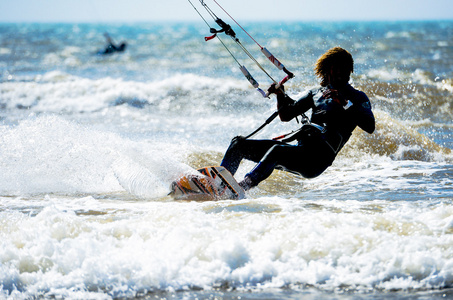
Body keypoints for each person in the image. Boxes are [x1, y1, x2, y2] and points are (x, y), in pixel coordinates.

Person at [220, 47, 375, 191]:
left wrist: (344, 103)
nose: (342, 73)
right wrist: (280, 95)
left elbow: (370, 126)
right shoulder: (315, 94)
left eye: (346, 68)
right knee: (238, 144)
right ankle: (219, 184)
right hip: (299, 152)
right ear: (328, 70)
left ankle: (240, 188)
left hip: (317, 160)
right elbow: (286, 115)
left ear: (350, 70)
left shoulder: (357, 97)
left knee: (277, 151)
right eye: (337, 68)